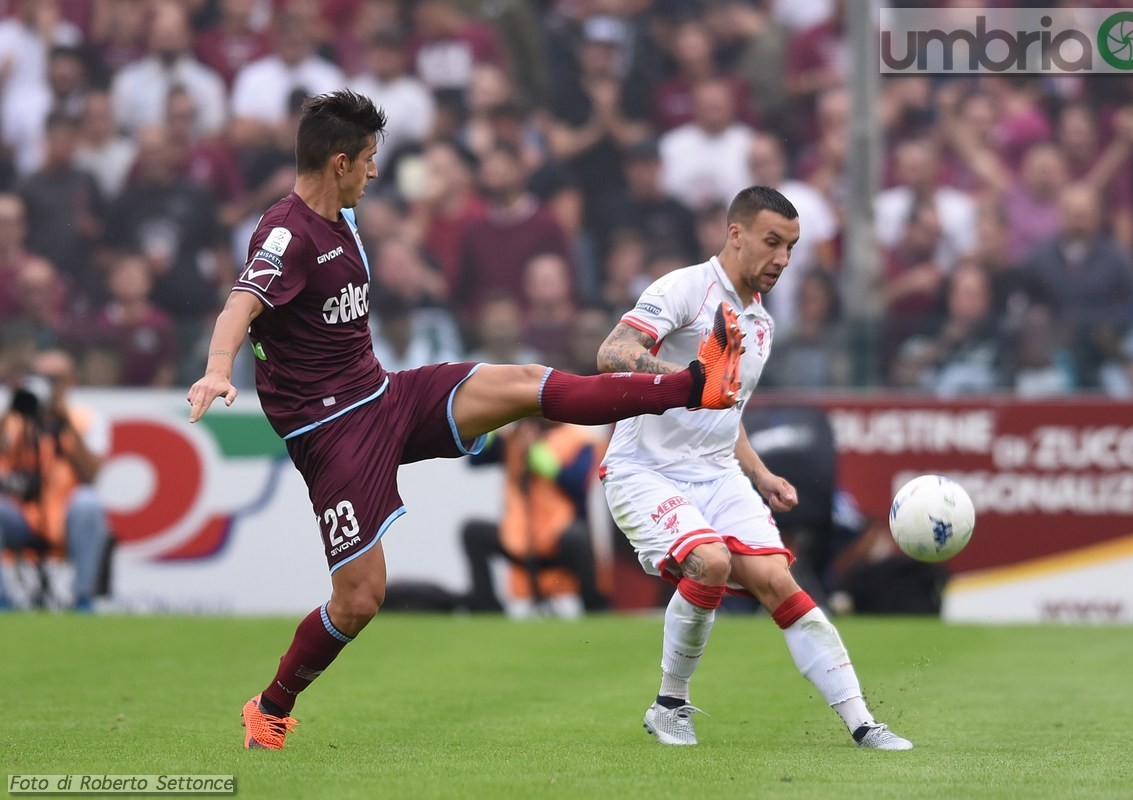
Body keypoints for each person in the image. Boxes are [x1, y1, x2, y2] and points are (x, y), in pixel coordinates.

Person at [185, 90, 745, 750]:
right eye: (368, 160)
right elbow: (240, 303)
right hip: (331, 432)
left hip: (384, 395)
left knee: (524, 383)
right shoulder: (286, 231)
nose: (374, 171)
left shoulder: (339, 216)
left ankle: (693, 384)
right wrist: (218, 368)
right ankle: (270, 706)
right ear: (339, 162)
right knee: (360, 601)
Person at [596, 185, 911, 750]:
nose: (783, 260)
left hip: (718, 473)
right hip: (645, 470)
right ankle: (669, 705)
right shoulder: (684, 288)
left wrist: (761, 474)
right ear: (734, 233)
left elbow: (726, 410)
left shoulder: (760, 324)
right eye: (772, 242)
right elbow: (613, 353)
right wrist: (688, 378)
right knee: (710, 562)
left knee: (779, 583)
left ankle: (864, 723)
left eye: (790, 247)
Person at [460, 418, 607, 615]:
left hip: (558, 537)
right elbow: (474, 460)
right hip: (518, 537)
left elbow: (580, 484)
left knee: (578, 537)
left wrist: (547, 463)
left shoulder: (578, 439)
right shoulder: (513, 438)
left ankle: (595, 609)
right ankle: (487, 609)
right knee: (473, 531)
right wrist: (491, 427)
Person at [0, 349, 109, 611]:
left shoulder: (85, 418)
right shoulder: (13, 420)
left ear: (71, 381)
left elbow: (93, 475)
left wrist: (65, 424)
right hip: (21, 515)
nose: (47, 384)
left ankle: (83, 598)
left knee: (89, 503)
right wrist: (12, 408)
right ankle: (2, 600)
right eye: (40, 377)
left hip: (65, 515)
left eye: (55, 378)